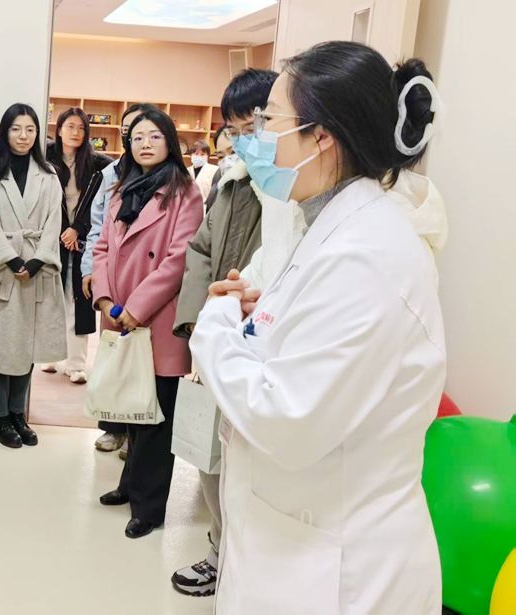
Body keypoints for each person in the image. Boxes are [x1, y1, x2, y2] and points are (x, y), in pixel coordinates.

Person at [189, 41, 446, 614]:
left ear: (321, 136)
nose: (255, 138)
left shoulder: (368, 255)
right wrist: (261, 316)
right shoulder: (329, 228)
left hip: (340, 572)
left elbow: (286, 418)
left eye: (269, 120)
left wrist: (216, 327)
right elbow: (309, 342)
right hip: (293, 542)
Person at [169, 67, 278, 597]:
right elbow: (200, 249)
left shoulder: (290, 191)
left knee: (251, 466)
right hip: (217, 337)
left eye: (250, 127)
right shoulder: (231, 182)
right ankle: (220, 548)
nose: (240, 141)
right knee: (209, 456)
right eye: (232, 130)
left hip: (263, 347)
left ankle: (242, 559)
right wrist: (197, 324)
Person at [91, 107, 204, 538]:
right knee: (130, 407)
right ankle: (129, 485)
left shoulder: (185, 192)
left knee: (156, 417)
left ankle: (149, 506)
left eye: (155, 136)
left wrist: (135, 308)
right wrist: (104, 297)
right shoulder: (121, 189)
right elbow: (102, 246)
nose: (145, 144)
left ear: (169, 142)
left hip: (156, 319)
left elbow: (178, 260)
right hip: (119, 314)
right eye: (137, 137)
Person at [0, 104, 65, 448]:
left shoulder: (49, 175)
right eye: (16, 129)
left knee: (27, 346)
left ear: (38, 134)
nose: (23, 136)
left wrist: (38, 260)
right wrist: (10, 259)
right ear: (5, 132)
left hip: (36, 271)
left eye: (30, 130)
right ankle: (0, 417)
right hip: (3, 270)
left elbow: (54, 222)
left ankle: (18, 413)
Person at [81, 103, 151, 455]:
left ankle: (138, 429)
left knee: (143, 361)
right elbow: (98, 227)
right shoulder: (111, 174)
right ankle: (112, 427)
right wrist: (90, 271)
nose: (136, 139)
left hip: (148, 284)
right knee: (112, 354)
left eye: (143, 131)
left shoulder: (170, 179)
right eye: (129, 132)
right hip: (112, 280)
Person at [41, 108, 112, 384]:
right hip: (53, 236)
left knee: (79, 298)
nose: (76, 133)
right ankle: (50, 355)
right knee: (53, 297)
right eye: (70, 126)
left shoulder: (97, 164)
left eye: (81, 128)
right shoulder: (45, 158)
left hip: (83, 238)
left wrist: (77, 230)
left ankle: (76, 364)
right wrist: (62, 230)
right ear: (59, 129)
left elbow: (96, 205)